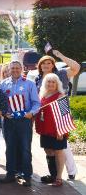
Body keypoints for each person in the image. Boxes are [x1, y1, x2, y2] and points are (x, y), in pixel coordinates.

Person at [35, 51, 80, 182]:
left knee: (63, 149)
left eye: (49, 63)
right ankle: (54, 175)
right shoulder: (38, 79)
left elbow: (76, 67)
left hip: (58, 120)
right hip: (45, 122)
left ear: (53, 65)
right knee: (50, 150)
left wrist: (60, 55)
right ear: (40, 66)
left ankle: (70, 172)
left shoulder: (59, 74)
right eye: (43, 63)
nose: (46, 65)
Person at [0, 61, 40, 187]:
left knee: (25, 149)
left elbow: (36, 103)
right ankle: (10, 174)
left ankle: (27, 176)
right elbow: (0, 102)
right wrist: (4, 113)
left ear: (22, 69)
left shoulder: (30, 84)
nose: (15, 70)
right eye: (13, 68)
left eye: (17, 68)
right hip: (9, 121)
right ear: (9, 69)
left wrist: (31, 113)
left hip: (24, 121)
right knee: (10, 148)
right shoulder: (3, 84)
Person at [35, 74, 70, 187]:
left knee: (58, 152)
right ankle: (53, 175)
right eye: (48, 81)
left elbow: (65, 115)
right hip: (45, 129)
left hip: (57, 130)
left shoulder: (61, 96)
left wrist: (61, 131)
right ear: (45, 83)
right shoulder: (43, 95)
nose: (50, 84)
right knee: (48, 151)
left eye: (53, 82)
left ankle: (59, 177)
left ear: (57, 84)